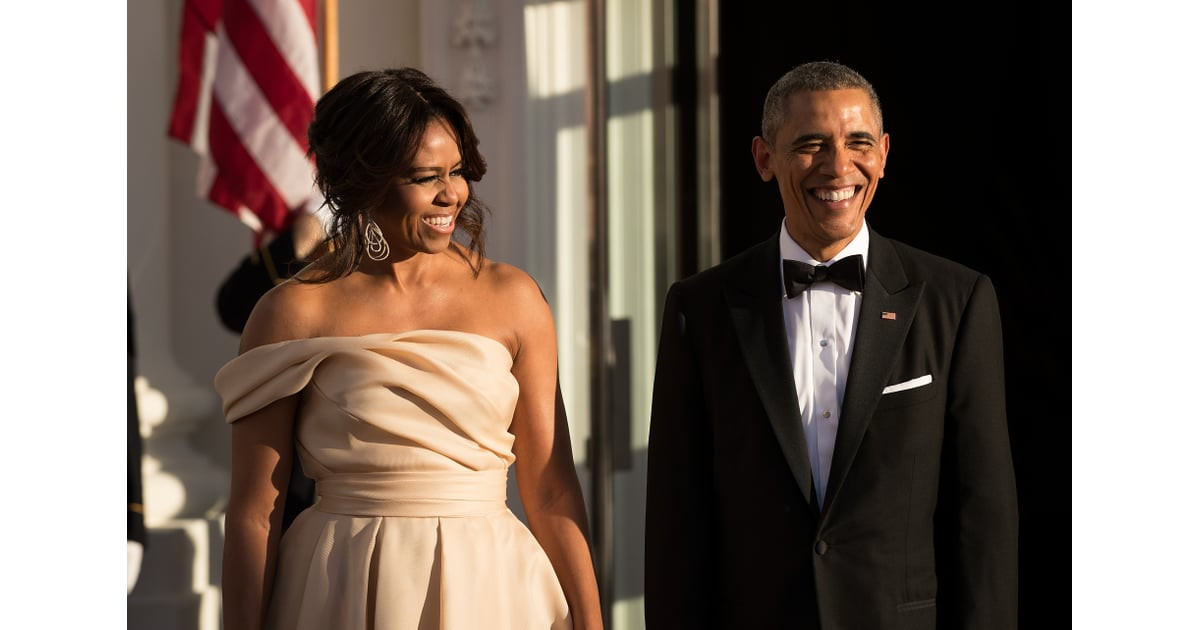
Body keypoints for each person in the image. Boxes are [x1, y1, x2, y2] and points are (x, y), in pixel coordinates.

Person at [214, 68, 603, 630]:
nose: (452, 194)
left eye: (458, 172)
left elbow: (551, 489)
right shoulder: (292, 313)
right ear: (365, 182)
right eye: (426, 177)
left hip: (491, 590)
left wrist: (592, 622)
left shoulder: (515, 299)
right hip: (337, 590)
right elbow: (255, 512)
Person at [644, 60, 1018, 629]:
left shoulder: (958, 300)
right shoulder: (700, 309)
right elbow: (677, 522)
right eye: (811, 144)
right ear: (764, 159)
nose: (838, 165)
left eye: (858, 142)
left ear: (885, 154)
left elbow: (983, 519)